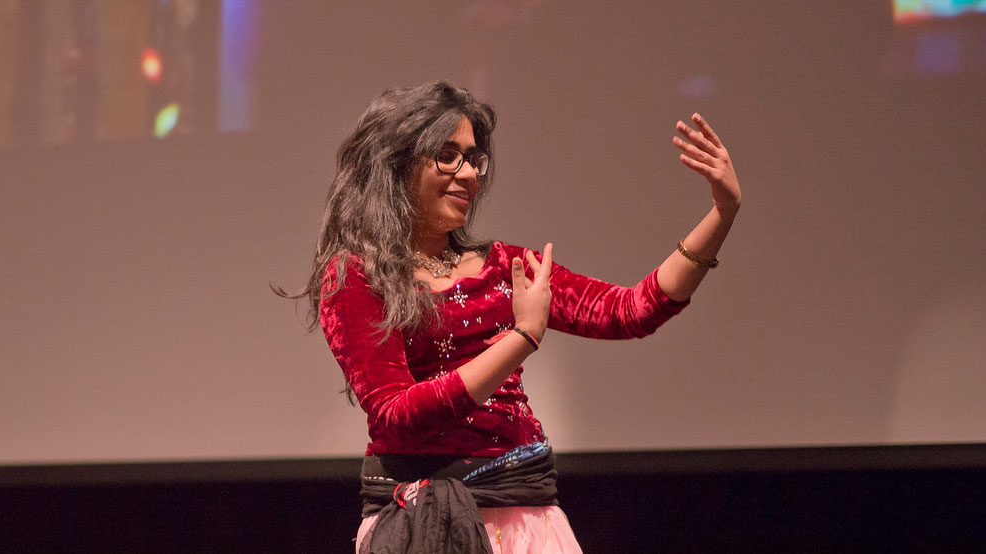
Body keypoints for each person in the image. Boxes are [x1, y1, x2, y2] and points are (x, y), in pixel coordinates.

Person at [287, 82, 741, 553]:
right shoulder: (355, 275)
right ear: (397, 163)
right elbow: (398, 416)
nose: (470, 175)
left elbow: (631, 311)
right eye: (448, 156)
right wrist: (521, 336)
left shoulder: (507, 267)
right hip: (419, 527)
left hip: (528, 519)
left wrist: (721, 215)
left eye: (474, 159)